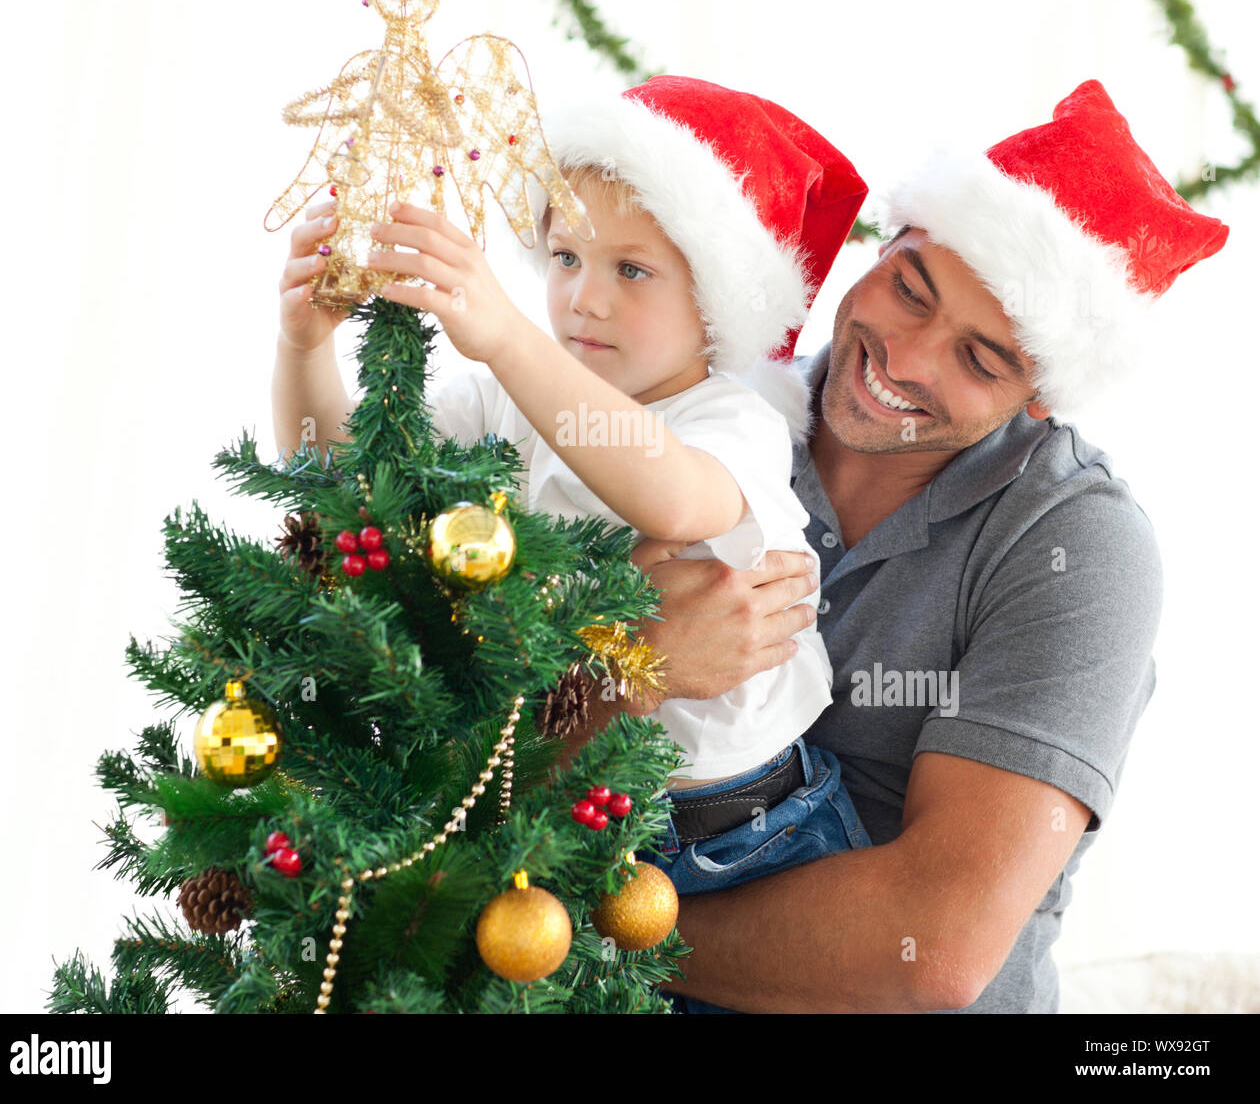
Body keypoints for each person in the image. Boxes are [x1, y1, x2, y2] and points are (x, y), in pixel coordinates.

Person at [565, 79, 1228, 1012]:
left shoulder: (1077, 543)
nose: (905, 360)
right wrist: (630, 672)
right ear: (883, 247)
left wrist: (578, 928)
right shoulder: (701, 423)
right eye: (910, 291)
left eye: (980, 357)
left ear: (1038, 395)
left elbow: (931, 950)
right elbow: (477, 744)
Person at [272, 77, 874, 912]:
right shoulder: (508, 400)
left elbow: (675, 498)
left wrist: (509, 338)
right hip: (571, 817)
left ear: (716, 303)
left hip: (753, 833)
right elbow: (350, 491)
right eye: (565, 257)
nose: (584, 297)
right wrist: (304, 347)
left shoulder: (731, 418)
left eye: (632, 269)